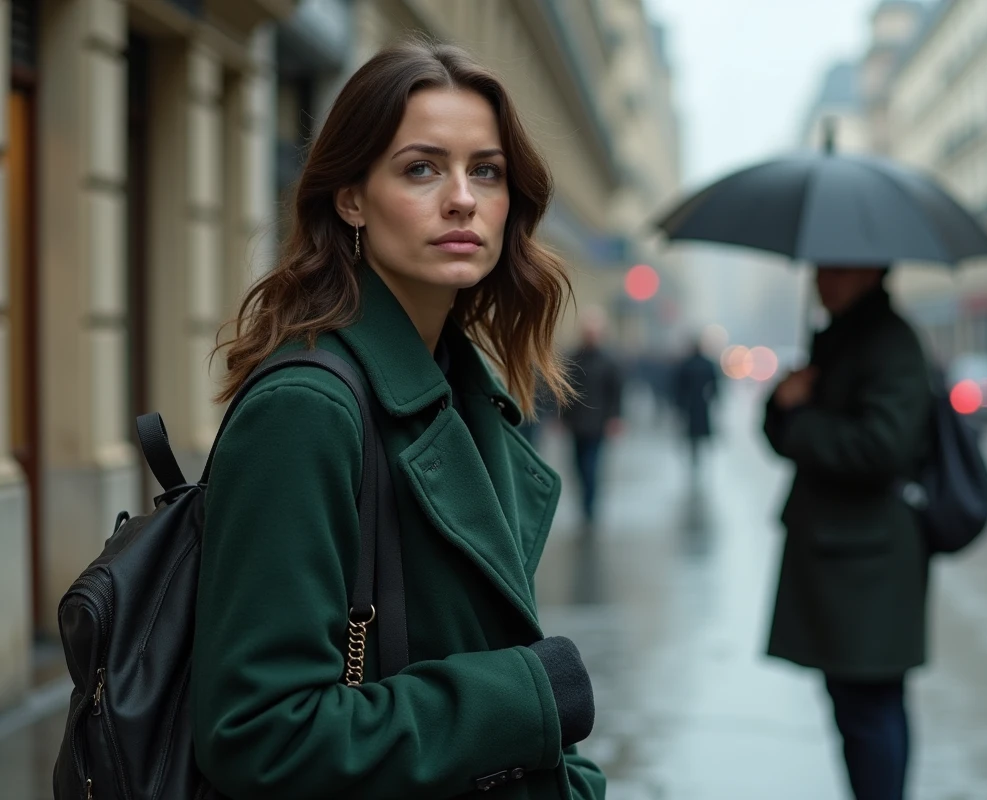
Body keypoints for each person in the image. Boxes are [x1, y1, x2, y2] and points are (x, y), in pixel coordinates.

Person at [195, 40, 605, 799]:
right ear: (351, 198)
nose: (462, 198)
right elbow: (260, 734)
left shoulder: (462, 391)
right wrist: (527, 694)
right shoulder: (307, 411)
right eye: (422, 168)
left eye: (486, 170)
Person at [762, 265, 931, 800]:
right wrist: (782, 401)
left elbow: (883, 447)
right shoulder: (843, 335)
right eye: (819, 266)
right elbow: (784, 431)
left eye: (836, 267)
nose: (820, 278)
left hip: (869, 561)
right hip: (843, 553)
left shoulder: (889, 341)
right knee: (854, 704)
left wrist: (799, 419)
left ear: (872, 271)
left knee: (871, 707)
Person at [561, 311, 623, 527]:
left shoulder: (609, 362)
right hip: (577, 423)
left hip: (598, 423)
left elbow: (616, 393)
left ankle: (590, 505)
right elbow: (564, 392)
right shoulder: (573, 358)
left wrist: (615, 418)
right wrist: (561, 417)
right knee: (577, 464)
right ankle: (585, 501)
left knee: (591, 465)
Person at [673, 337, 719, 472]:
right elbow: (715, 385)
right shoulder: (707, 364)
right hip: (701, 404)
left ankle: (696, 459)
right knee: (700, 433)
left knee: (693, 434)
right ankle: (698, 459)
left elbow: (678, 387)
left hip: (691, 405)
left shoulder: (686, 364)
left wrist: (679, 404)